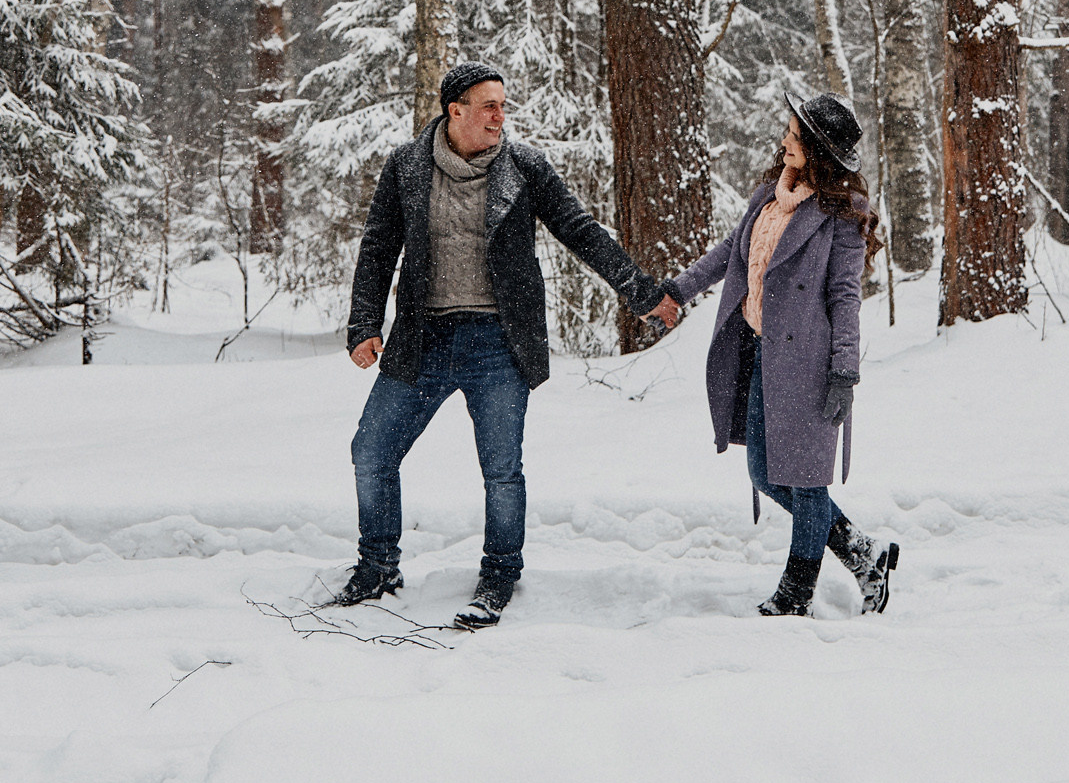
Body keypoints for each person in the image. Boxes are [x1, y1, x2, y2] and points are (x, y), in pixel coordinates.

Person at [332, 60, 683, 629]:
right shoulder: (406, 167)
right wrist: (364, 323)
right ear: (456, 112)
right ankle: (377, 567)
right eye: (489, 105)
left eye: (503, 105)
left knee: (501, 470)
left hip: (499, 342)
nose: (501, 116)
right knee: (371, 452)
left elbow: (581, 231)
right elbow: (378, 248)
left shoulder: (524, 168)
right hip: (422, 339)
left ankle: (499, 575)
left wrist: (641, 293)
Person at [666, 91, 900, 618]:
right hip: (760, 353)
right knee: (766, 473)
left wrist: (845, 369)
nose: (784, 140)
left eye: (794, 134)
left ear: (816, 147)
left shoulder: (843, 214)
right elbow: (729, 253)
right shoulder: (768, 198)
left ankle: (796, 593)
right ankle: (864, 554)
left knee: (806, 478)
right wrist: (677, 290)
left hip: (809, 362)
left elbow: (844, 294)